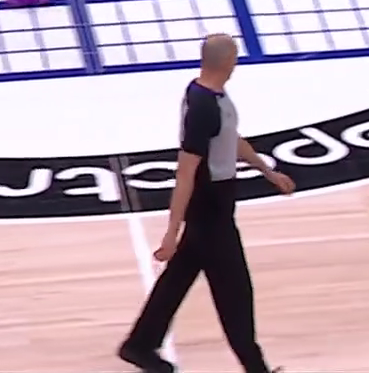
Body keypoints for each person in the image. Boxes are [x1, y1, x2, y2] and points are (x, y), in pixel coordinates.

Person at [118, 34, 296, 373]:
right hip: (210, 207)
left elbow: (230, 137)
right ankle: (256, 368)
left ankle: (139, 345)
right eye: (235, 57)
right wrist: (171, 233)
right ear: (227, 61)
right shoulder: (203, 108)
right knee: (235, 289)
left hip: (217, 202)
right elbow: (186, 173)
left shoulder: (209, 93)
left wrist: (267, 171)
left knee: (178, 278)